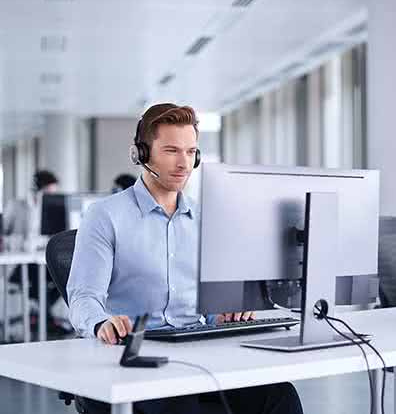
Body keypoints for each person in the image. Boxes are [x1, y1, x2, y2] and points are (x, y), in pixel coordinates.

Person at [67, 103, 303, 414]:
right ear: (142, 154)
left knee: (279, 396)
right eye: (171, 151)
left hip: (200, 352)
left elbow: (217, 302)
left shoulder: (208, 218)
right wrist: (100, 323)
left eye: (191, 152)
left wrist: (228, 312)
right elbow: (83, 296)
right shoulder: (105, 216)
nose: (184, 163)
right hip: (136, 355)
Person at [4, 170, 68, 336]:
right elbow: (3, 232)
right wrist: (17, 241)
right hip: (20, 263)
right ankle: (47, 321)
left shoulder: (52, 209)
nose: (52, 197)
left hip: (41, 259)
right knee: (39, 283)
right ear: (38, 190)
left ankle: (40, 315)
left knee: (66, 278)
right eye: (49, 193)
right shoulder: (16, 205)